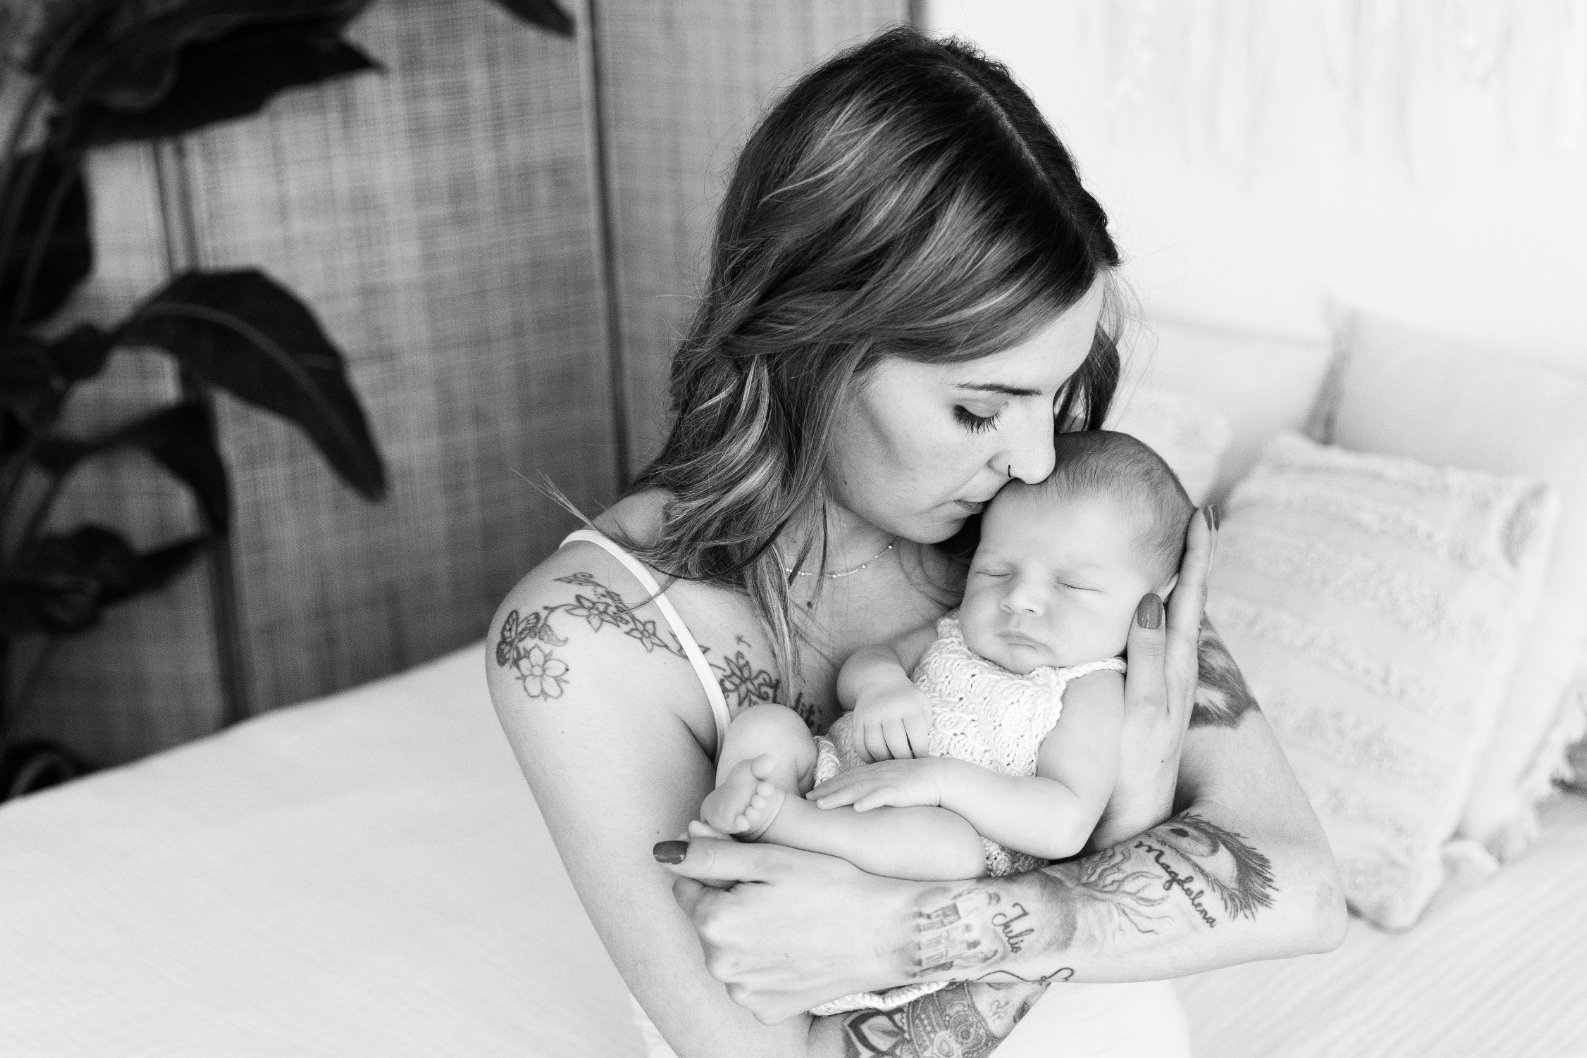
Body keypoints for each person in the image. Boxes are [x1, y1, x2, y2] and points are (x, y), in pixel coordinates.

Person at [486, 24, 1345, 1058]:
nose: (1035, 458)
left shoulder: (1048, 526)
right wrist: (1122, 831)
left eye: (1054, 395)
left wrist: (918, 927)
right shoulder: (588, 638)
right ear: (814, 347)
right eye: (980, 409)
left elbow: (1301, 886)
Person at [700, 429, 1193, 1018]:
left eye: (1073, 584)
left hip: (929, 860)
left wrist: (938, 782)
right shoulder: (957, 632)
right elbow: (870, 661)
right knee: (768, 726)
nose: (1020, 599)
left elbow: (1063, 822)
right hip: (838, 781)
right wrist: (881, 685)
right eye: (995, 571)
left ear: (1155, 598)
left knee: (951, 849)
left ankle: (782, 823)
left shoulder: (1090, 688)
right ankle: (740, 824)